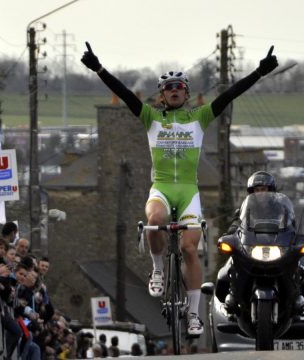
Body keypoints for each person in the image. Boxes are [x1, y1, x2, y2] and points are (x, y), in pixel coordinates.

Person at [82, 42, 278, 336]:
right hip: (161, 187)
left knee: (189, 248)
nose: (174, 90)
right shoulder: (151, 117)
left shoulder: (199, 117)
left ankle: (194, 313)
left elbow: (230, 94)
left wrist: (259, 73)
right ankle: (158, 267)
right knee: (155, 221)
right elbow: (123, 93)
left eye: (179, 86)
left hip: (188, 192)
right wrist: (99, 68)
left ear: (186, 94)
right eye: (168, 87)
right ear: (161, 95)